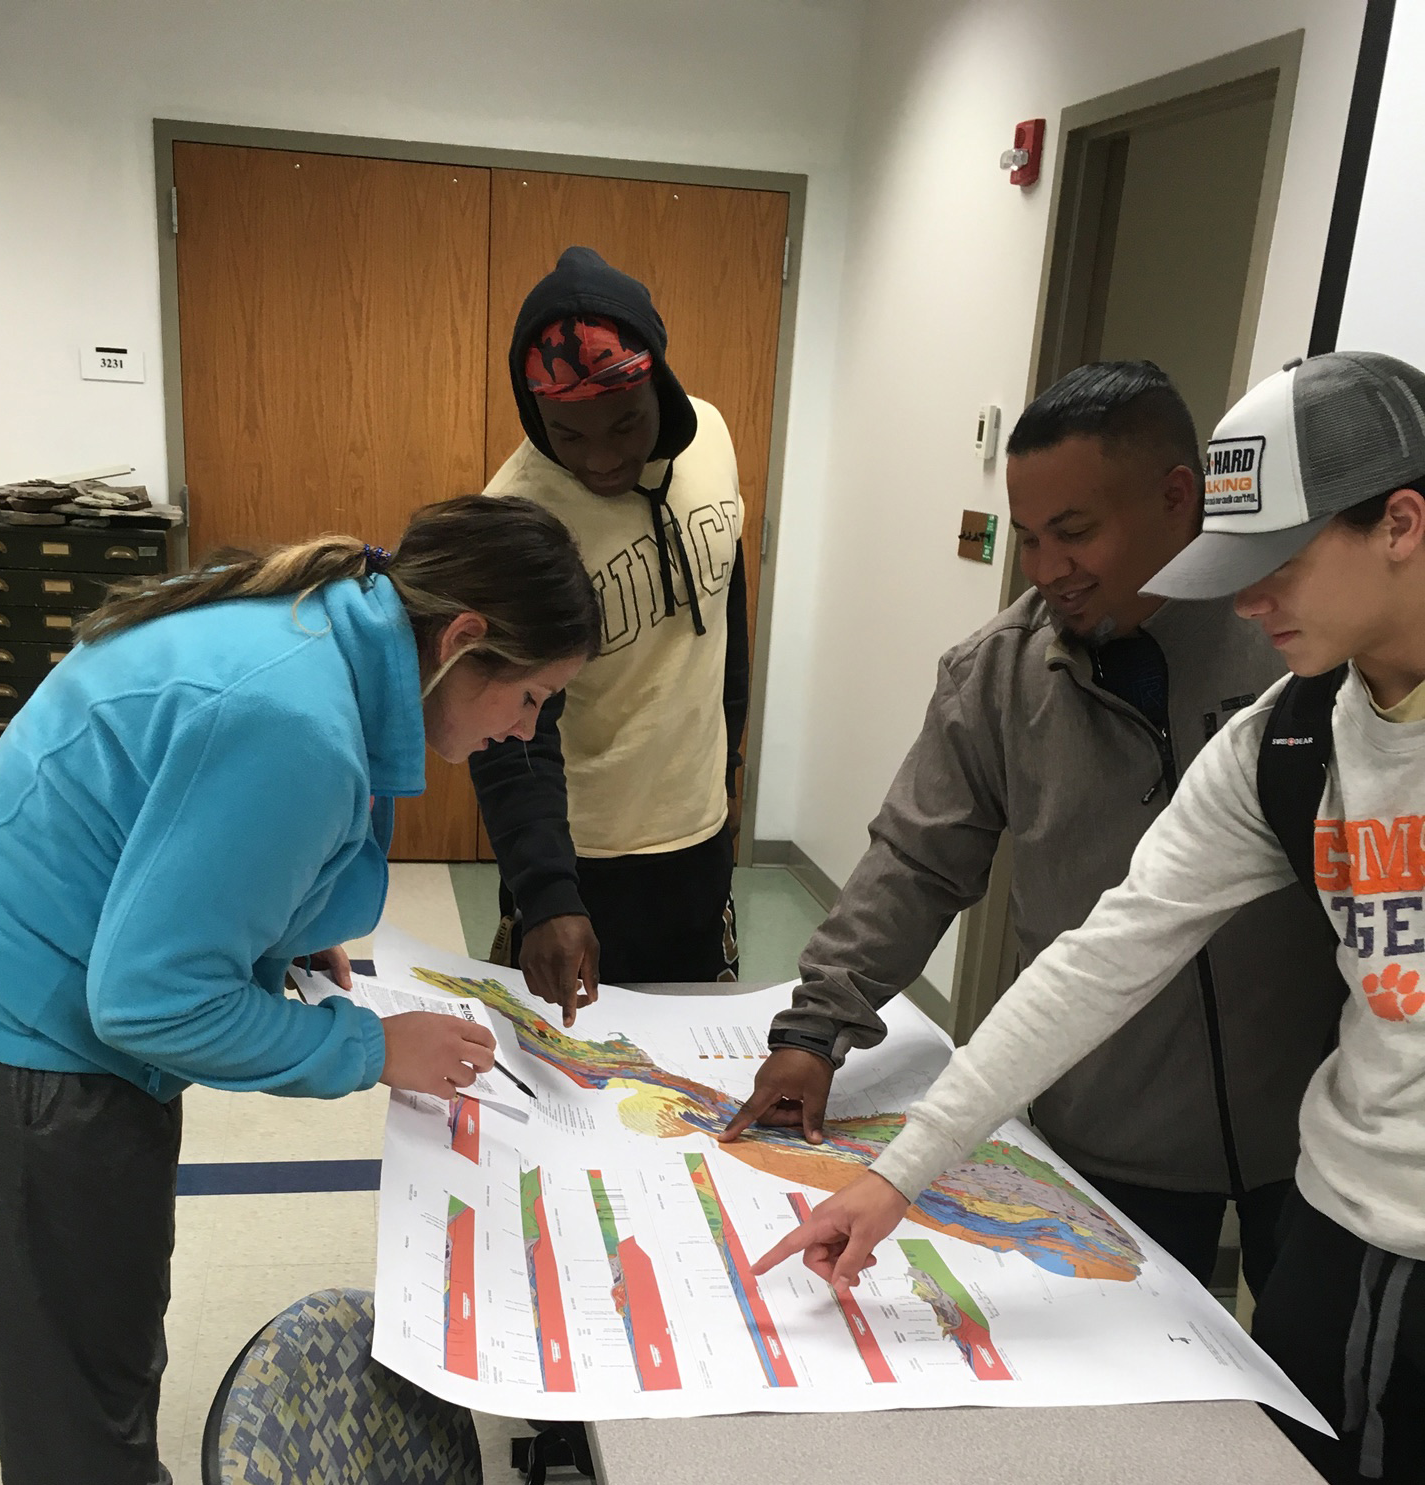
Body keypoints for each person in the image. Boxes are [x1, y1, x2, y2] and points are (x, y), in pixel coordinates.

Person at [760, 351, 1425, 1484]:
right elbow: (1099, 957)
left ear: (1400, 523)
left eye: (1282, 564)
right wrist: (895, 1173)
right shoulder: (1289, 738)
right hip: (1331, 1207)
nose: (1253, 598)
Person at [0, 495, 601, 1485]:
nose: (524, 730)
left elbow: (165, 827)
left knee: (101, 1353)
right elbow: (150, 1003)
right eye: (529, 697)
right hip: (12, 1041)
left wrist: (281, 935)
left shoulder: (322, 615)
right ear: (464, 638)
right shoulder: (295, 723)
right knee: (80, 1409)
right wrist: (374, 1048)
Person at [724, 361, 1343, 1294]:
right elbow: (917, 861)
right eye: (1029, 538)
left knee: (1316, 1385)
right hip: (1104, 1115)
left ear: (1180, 498)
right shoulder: (999, 674)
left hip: (1309, 1119)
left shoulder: (1295, 644)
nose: (1050, 568)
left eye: (1077, 532)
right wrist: (817, 1029)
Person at [470, 246, 749, 1024]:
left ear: (660, 382)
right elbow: (507, 732)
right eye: (570, 436)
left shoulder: (713, 436)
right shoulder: (517, 517)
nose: (604, 458)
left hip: (698, 838)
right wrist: (546, 890)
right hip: (577, 859)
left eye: (626, 425)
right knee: (564, 1079)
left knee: (689, 1077)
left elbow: (725, 606)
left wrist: (728, 768)